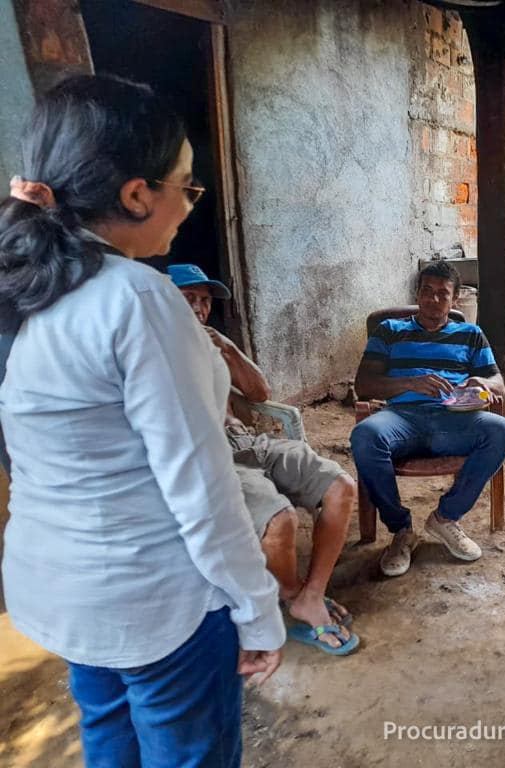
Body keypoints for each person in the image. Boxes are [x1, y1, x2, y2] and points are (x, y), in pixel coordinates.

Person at [0, 75, 284, 767]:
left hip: (59, 588)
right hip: (154, 603)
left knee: (109, 741)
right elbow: (202, 486)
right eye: (187, 187)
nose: (189, 206)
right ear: (137, 194)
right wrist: (258, 609)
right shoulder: (136, 299)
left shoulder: (30, 285)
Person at [169, 263, 359, 656]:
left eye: (205, 302)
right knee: (280, 519)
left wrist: (225, 346)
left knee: (340, 488)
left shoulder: (213, 339)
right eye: (189, 300)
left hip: (249, 440)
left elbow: (258, 392)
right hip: (209, 453)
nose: (200, 310)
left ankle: (312, 593)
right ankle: (293, 598)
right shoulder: (153, 350)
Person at [351, 261, 505, 577]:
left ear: (455, 300)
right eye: (426, 291)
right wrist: (409, 383)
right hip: (401, 418)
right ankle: (401, 530)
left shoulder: (470, 335)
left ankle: (444, 518)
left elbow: (498, 384)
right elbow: (364, 385)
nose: (433, 299)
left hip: (453, 419)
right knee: (365, 434)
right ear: (417, 294)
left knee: (501, 431)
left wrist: (482, 384)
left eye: (442, 294)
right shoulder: (389, 332)